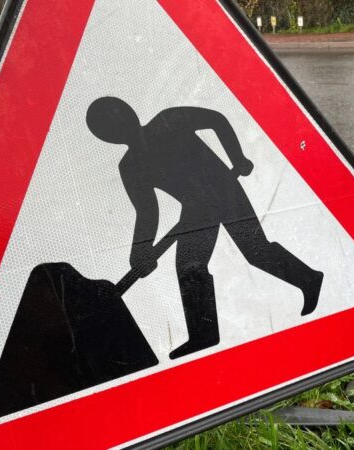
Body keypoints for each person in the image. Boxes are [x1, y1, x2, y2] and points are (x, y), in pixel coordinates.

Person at [86, 97, 324, 360]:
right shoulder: (130, 166)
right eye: (108, 128)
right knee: (190, 266)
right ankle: (204, 334)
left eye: (117, 120)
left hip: (224, 191)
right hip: (195, 211)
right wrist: (140, 251)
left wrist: (237, 156)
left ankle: (309, 279)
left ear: (130, 113)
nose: (117, 128)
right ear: (106, 138)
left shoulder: (170, 120)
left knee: (256, 251)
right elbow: (147, 212)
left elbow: (216, 120)